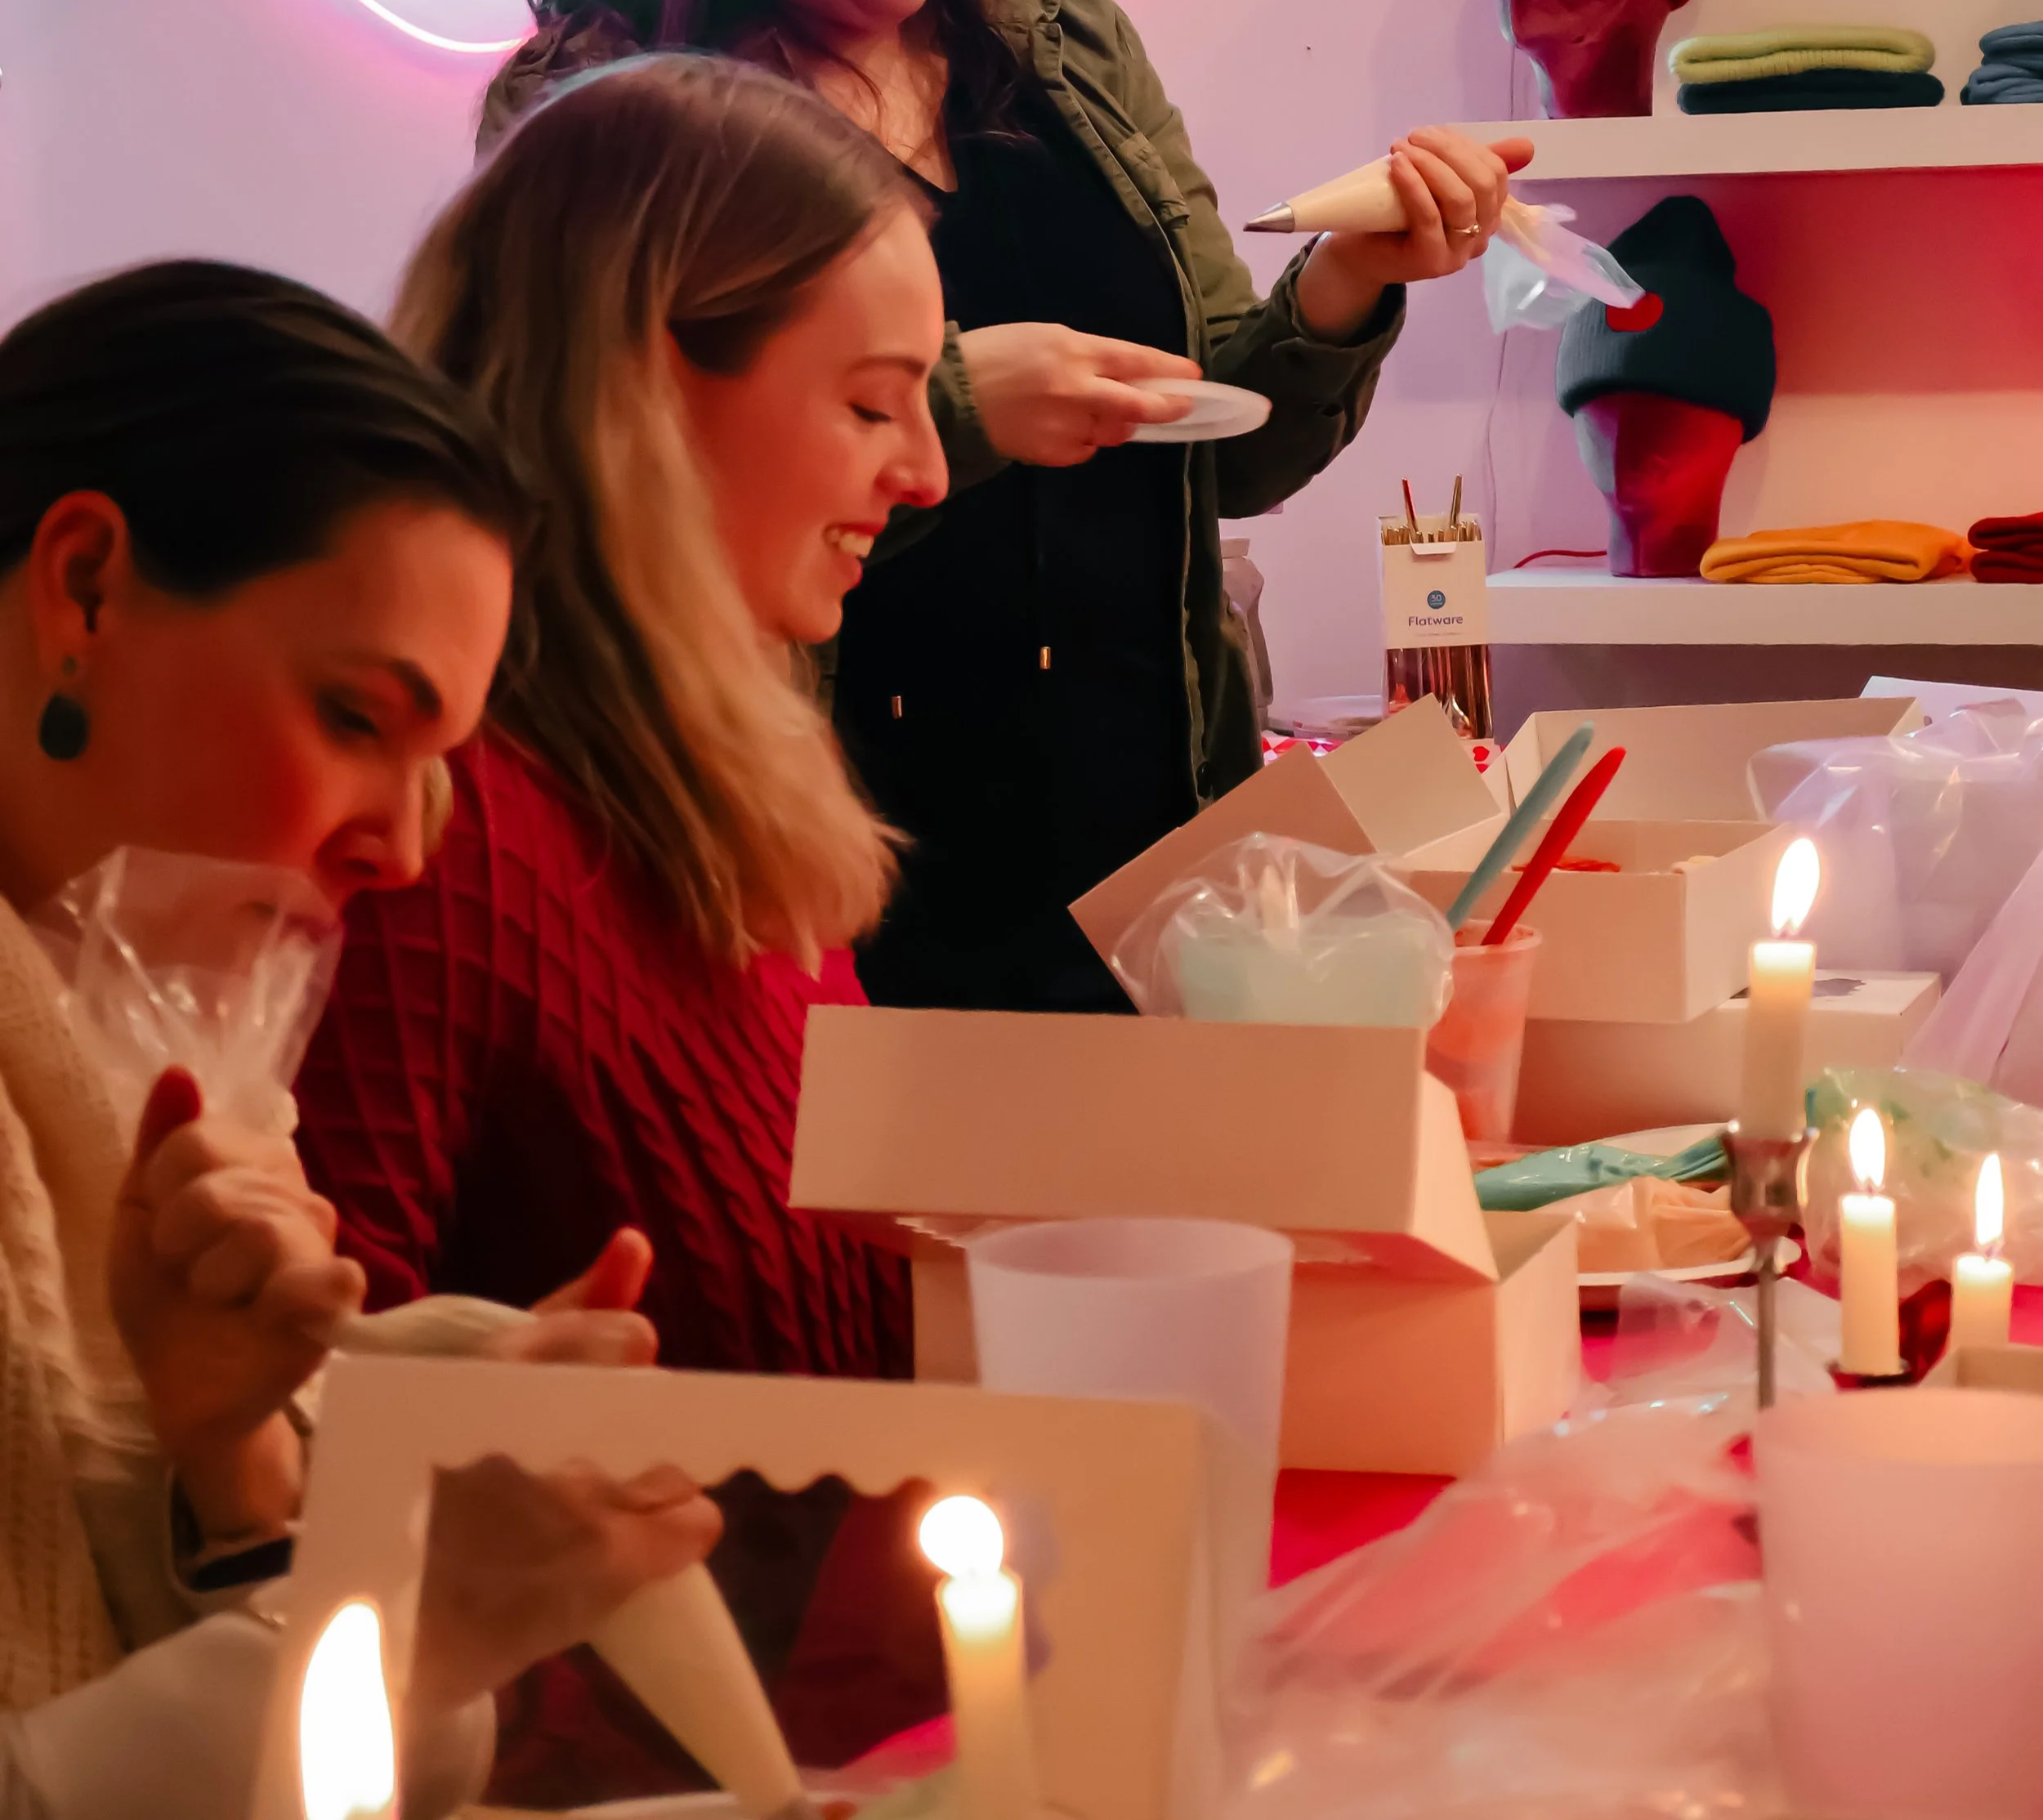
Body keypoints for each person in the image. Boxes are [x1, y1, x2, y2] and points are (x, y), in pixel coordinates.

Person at [291, 56, 952, 1805]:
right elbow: (301, 1497)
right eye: (875, 403)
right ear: (653, 384)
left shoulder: (735, 783)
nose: (931, 472)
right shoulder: (452, 837)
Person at [0, 260, 723, 1820]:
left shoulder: (166, 1058)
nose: (403, 847)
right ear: (85, 592)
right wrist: (402, 1613)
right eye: (353, 717)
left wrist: (239, 1464)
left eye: (439, 760)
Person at [493, 0, 1533, 1012]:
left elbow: (1229, 447)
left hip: (1145, 852)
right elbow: (626, 498)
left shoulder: (1065, 39)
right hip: (825, 850)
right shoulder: (605, 98)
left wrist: (1346, 279)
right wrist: (951, 405)